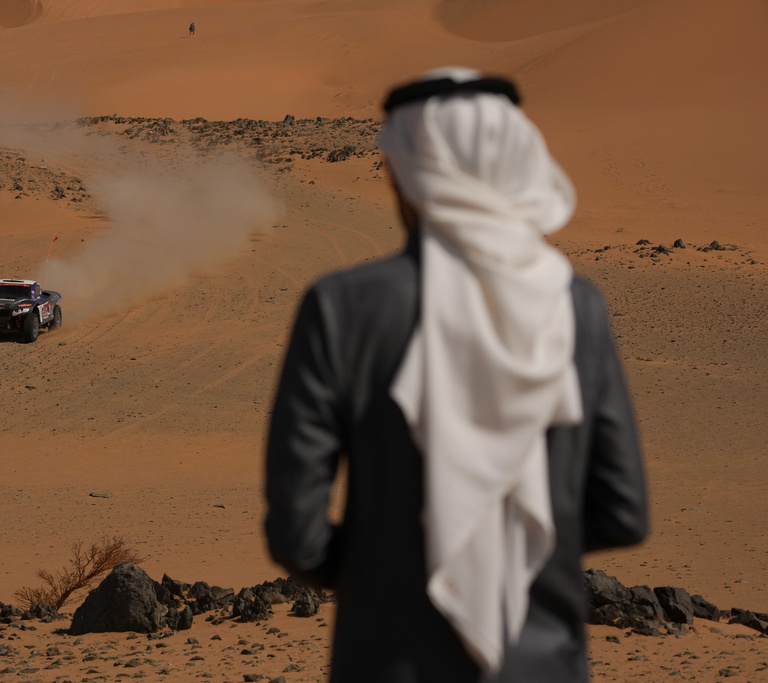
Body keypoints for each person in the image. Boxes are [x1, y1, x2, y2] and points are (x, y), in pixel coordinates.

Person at [264, 67, 648, 682]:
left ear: (402, 172)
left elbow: (296, 533)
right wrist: (520, 554)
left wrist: (381, 573)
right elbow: (624, 513)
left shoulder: (341, 307)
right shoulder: (577, 307)